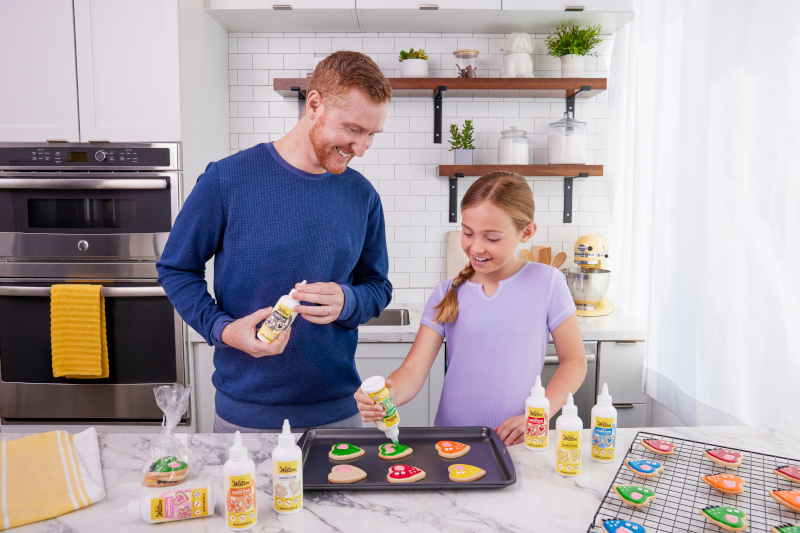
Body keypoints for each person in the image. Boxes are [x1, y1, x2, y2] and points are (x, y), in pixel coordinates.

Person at [157, 51, 393, 432]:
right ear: (314, 104)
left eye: (371, 135)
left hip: (338, 416)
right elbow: (175, 269)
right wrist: (223, 329)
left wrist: (348, 300)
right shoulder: (226, 180)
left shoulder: (362, 196)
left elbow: (377, 287)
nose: (362, 148)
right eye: (352, 129)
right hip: (246, 418)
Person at [355, 171, 587, 446]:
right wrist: (388, 396)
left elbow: (574, 362)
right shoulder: (447, 293)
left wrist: (537, 414)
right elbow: (414, 370)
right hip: (451, 441)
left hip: (516, 441)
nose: (476, 246)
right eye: (467, 233)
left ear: (526, 232)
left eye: (492, 238)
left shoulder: (548, 283)